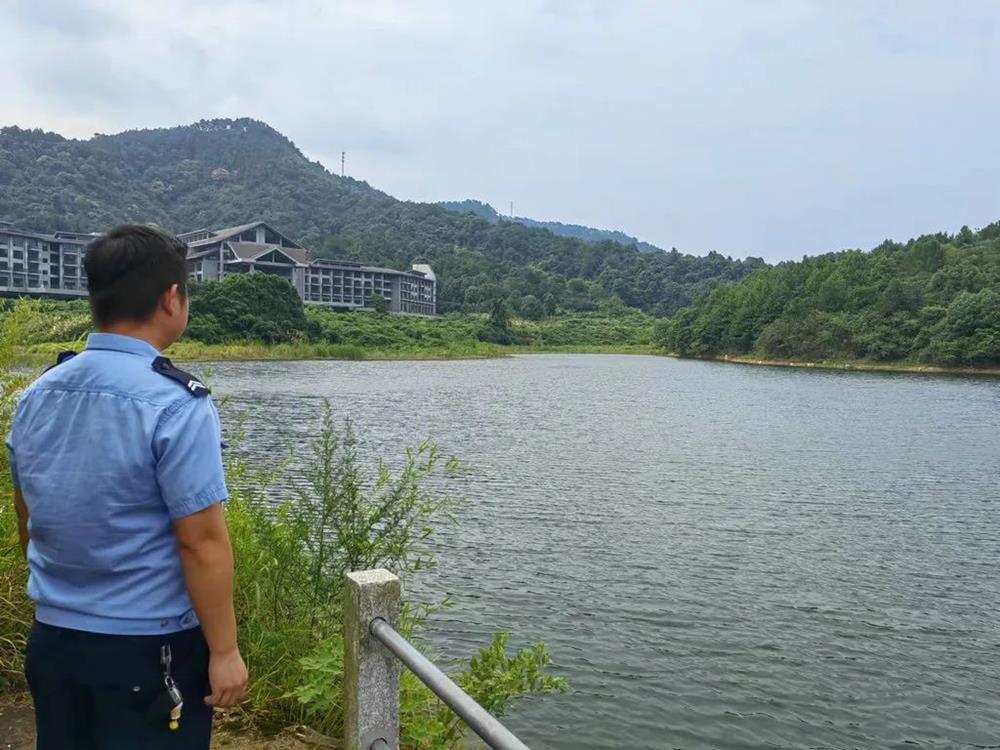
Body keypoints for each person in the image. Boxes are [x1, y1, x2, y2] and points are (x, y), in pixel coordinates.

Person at [5, 225, 248, 749]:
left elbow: (28, 516)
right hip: (149, 649)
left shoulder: (37, 395)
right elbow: (200, 541)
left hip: (53, 642)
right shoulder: (177, 404)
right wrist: (225, 651)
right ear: (171, 299)